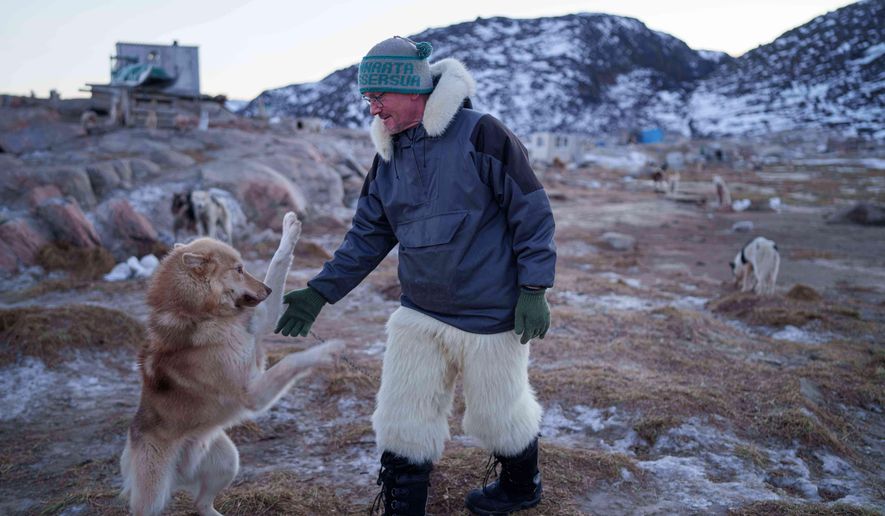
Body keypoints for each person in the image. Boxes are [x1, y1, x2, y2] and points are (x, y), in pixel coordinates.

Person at [275, 36, 556, 515]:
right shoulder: (387, 156)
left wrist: (534, 288)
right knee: (403, 417)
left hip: (490, 313)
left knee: (499, 416)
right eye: (368, 99)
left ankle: (520, 486)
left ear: (410, 90)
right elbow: (367, 236)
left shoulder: (481, 133)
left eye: (377, 96)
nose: (372, 109)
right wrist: (320, 293)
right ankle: (404, 507)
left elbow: (531, 212)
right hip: (420, 312)